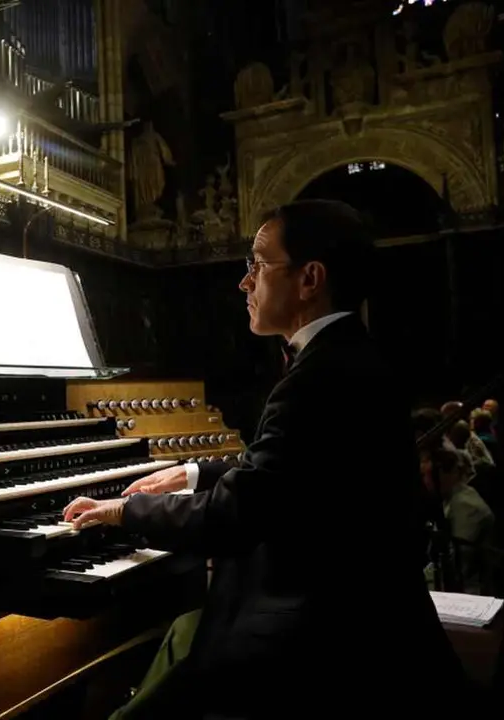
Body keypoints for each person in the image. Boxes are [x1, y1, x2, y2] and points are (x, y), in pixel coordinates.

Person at [63, 200, 468, 718]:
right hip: (362, 617)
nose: (244, 283)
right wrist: (192, 472)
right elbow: (291, 471)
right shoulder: (347, 357)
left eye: (256, 263)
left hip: (324, 646)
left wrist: (122, 512)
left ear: (310, 279)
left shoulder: (319, 378)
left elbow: (237, 513)